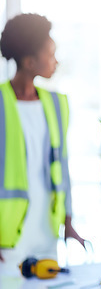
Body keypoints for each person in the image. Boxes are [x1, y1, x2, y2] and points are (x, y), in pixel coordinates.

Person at [0, 13, 84, 267]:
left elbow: (63, 166)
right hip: (8, 235)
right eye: (50, 54)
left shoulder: (58, 104)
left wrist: (68, 222)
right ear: (29, 61)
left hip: (47, 229)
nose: (56, 61)